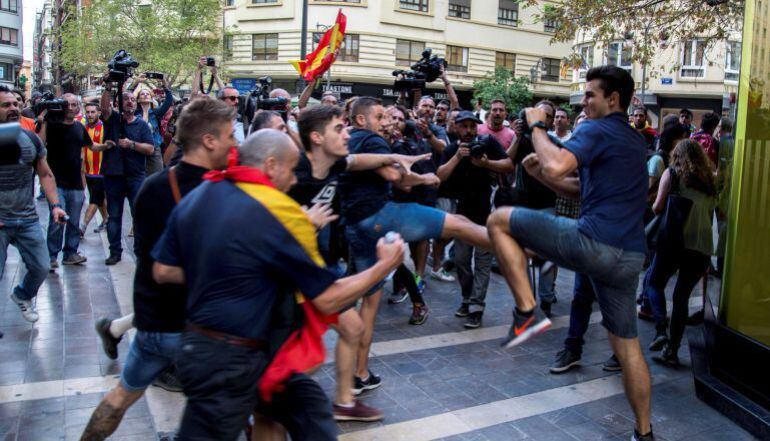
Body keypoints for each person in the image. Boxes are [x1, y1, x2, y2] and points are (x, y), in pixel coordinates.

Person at [151, 129, 405, 440]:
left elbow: (163, 270)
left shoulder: (203, 193)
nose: (295, 180)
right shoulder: (279, 212)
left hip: (209, 350)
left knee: (304, 409)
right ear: (271, 165)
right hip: (232, 362)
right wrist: (384, 265)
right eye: (291, 169)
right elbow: (328, 299)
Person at [486, 66, 653, 440]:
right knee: (627, 348)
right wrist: (540, 174)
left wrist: (537, 126)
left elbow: (557, 162)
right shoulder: (633, 139)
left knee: (498, 220)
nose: (584, 101)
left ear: (613, 99)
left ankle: (527, 312)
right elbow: (579, 189)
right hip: (628, 258)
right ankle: (644, 432)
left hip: (594, 243)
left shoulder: (596, 128)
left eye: (590, 94)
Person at [81, 98, 238, 441]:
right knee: (222, 405)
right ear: (209, 140)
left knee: (121, 396)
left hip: (152, 320)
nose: (234, 143)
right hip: (193, 327)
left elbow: (146, 257)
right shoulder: (220, 191)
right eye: (230, 136)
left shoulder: (154, 186)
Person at [338, 97, 494, 393]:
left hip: (356, 227)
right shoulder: (372, 140)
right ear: (361, 119)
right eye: (381, 116)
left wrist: (415, 176)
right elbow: (395, 177)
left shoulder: (347, 139)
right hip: (380, 216)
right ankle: (518, 245)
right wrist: (420, 176)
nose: (387, 122)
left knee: (369, 304)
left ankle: (359, 374)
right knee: (459, 223)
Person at [291, 104, 430, 421]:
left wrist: (395, 157)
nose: (347, 134)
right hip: (287, 274)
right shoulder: (293, 171)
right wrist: (300, 223)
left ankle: (343, 402)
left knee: (352, 327)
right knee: (298, 359)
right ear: (317, 138)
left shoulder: (337, 163)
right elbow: (262, 217)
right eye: (339, 129)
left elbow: (359, 160)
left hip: (317, 266)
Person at [437, 111, 513, 328]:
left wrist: (486, 163)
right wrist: (457, 157)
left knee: (482, 263)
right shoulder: (451, 150)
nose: (469, 131)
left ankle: (476, 307)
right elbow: (439, 176)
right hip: (462, 217)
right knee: (461, 260)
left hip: (487, 215)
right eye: (464, 126)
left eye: (473, 126)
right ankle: (467, 298)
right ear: (456, 127)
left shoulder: (487, 142)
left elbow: (509, 164)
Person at [0, 85, 67, 323]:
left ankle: (22, 294)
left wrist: (56, 205)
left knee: (41, 266)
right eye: (6, 105)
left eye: (15, 104)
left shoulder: (29, 138)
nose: (13, 108)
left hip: (27, 218)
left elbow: (45, 174)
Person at [646, 139, 716, 367]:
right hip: (701, 246)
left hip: (674, 242)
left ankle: (660, 330)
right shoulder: (709, 182)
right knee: (681, 297)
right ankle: (672, 351)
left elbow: (658, 207)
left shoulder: (673, 174)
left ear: (677, 155)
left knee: (654, 283)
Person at [505, 100, 559, 317]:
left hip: (547, 205)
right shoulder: (523, 140)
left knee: (546, 255)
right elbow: (507, 161)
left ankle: (546, 299)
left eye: (546, 115)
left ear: (551, 121)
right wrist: (517, 137)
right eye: (537, 113)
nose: (540, 117)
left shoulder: (554, 143)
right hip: (523, 205)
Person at [99, 80, 156, 265]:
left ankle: (140, 252)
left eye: (132, 99)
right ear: (119, 103)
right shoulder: (114, 120)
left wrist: (132, 145)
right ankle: (115, 251)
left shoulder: (142, 125)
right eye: (126, 99)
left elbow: (150, 149)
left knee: (138, 215)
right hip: (114, 175)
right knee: (114, 216)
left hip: (135, 176)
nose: (130, 102)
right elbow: (104, 108)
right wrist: (109, 87)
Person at [36, 93, 92, 267]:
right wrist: (44, 122)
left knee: (74, 221)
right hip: (56, 182)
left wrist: (106, 146)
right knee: (57, 221)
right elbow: (39, 144)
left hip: (75, 182)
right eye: (67, 104)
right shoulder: (52, 125)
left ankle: (71, 253)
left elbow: (89, 147)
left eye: (75, 105)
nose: (71, 108)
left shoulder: (79, 127)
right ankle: (51, 256)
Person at [79, 102, 109, 236]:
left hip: (101, 171)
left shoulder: (104, 128)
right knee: (99, 198)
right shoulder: (83, 128)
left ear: (99, 113)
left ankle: (82, 226)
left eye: (93, 112)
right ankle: (107, 220)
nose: (90, 115)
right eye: (88, 112)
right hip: (88, 171)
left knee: (95, 199)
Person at [134, 75, 173, 174]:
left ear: (151, 98)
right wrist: (136, 82)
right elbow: (124, 98)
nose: (145, 95)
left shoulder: (156, 113)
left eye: (148, 94)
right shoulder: (134, 114)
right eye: (142, 94)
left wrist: (164, 84)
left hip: (154, 149)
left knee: (157, 176)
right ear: (138, 99)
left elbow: (169, 100)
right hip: (137, 149)